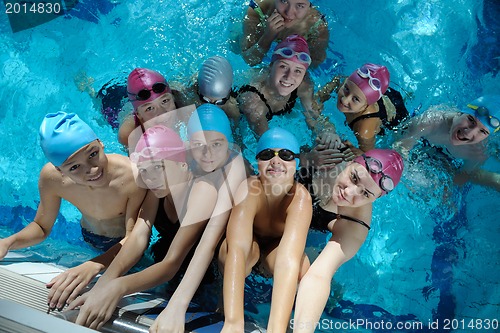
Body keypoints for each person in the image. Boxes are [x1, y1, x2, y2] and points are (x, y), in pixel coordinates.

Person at [69, 105, 248, 332]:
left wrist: (175, 305)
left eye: (216, 145)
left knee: (225, 254)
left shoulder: (219, 177)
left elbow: (207, 244)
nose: (207, 154)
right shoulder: (164, 167)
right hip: (175, 243)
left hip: (213, 247)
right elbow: (138, 236)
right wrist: (103, 281)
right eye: (198, 146)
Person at [0, 111, 147, 311]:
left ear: (101, 142)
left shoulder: (131, 176)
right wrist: (8, 243)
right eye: (75, 167)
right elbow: (42, 227)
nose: (91, 169)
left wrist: (95, 264)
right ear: (60, 170)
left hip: (123, 245)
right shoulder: (52, 179)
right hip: (88, 237)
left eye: (93, 154)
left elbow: (134, 238)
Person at [292, 149, 404, 332]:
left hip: (311, 228)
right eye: (353, 178)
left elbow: (319, 275)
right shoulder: (329, 156)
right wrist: (304, 157)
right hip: (287, 202)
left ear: (376, 199)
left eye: (366, 194)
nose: (349, 193)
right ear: (351, 162)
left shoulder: (356, 225)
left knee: (303, 267)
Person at [219, 127, 312, 333]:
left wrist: (276, 329)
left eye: (286, 155)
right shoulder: (249, 189)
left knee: (302, 267)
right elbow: (238, 250)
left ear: (296, 164)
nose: (276, 161)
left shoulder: (300, 198)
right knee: (227, 254)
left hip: (275, 253)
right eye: (267, 154)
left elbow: (288, 261)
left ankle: (287, 324)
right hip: (249, 250)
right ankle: (222, 306)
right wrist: (233, 322)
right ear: (257, 163)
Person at [238, 34, 338, 145]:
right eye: (283, 66)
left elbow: (313, 116)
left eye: (298, 71)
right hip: (241, 115)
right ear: (271, 66)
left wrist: (328, 132)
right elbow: (268, 144)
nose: (289, 76)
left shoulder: (304, 86)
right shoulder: (252, 98)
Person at [394, 95, 500, 190]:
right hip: (419, 144)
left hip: (446, 161)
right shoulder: (429, 122)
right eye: (470, 120)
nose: (468, 133)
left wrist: (443, 189)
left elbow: (461, 178)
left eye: (483, 131)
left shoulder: (479, 152)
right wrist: (415, 179)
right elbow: (398, 149)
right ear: (460, 113)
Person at [317, 63, 409, 155]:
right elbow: (333, 83)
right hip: (376, 94)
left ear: (366, 106)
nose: (344, 100)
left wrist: (354, 151)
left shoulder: (364, 128)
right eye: (346, 88)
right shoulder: (349, 85)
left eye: (355, 99)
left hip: (396, 114)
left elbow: (369, 155)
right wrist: (320, 98)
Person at [240, 0, 329, 68]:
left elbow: (315, 64)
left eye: (300, 5)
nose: (289, 13)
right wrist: (267, 36)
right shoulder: (258, 8)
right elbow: (249, 60)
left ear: (309, 4)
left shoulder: (317, 25)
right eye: (284, 0)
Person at [118, 68, 183, 147]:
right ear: (138, 114)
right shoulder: (130, 134)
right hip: (114, 101)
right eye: (149, 108)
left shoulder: (185, 103)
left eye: (165, 101)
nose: (161, 113)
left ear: (173, 98)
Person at [177, 56, 240, 126]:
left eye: (219, 102)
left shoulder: (232, 109)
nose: (211, 106)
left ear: (228, 95)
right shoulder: (188, 99)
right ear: (198, 92)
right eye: (205, 100)